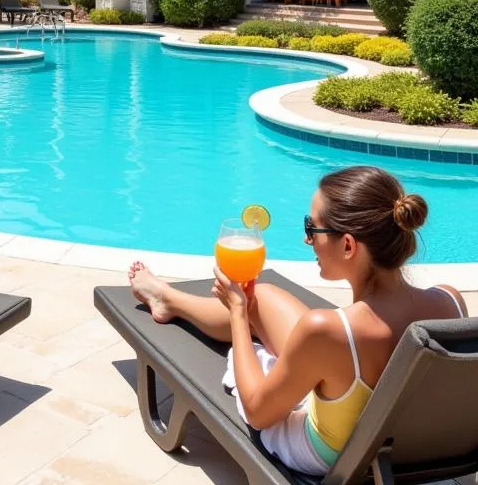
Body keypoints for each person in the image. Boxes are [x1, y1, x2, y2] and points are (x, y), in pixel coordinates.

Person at [127, 166, 466, 475]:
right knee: (264, 296)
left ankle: (172, 299)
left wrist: (236, 312)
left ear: (348, 245)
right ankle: (168, 298)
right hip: (408, 448)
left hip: (334, 456)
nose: (307, 239)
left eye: (312, 227)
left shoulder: (329, 331)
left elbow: (259, 413)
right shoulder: (450, 302)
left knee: (249, 308)